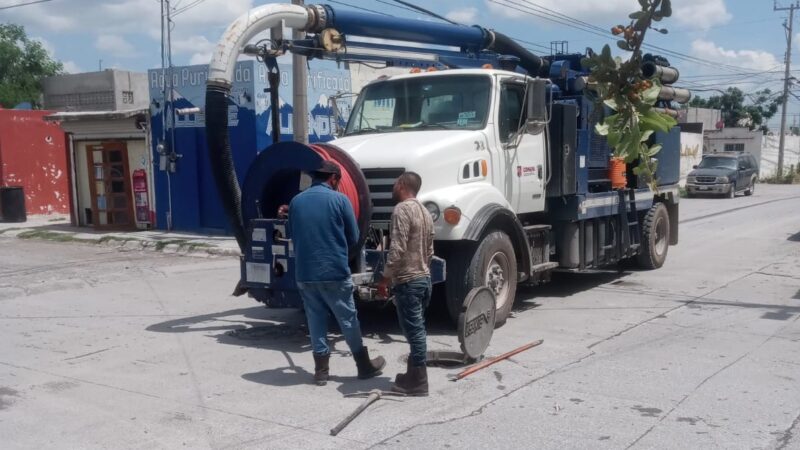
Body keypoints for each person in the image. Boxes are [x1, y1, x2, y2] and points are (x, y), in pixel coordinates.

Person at [288, 160, 385, 386]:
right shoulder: (340, 200)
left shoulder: (296, 201)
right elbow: (354, 237)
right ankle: (363, 365)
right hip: (334, 271)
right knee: (347, 319)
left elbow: (293, 233)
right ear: (333, 179)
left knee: (315, 319)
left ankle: (321, 372)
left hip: (305, 273)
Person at [376, 172, 435, 396]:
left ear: (401, 185)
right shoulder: (425, 212)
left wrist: (385, 278)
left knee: (415, 332)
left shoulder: (402, 209)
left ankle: (419, 382)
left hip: (409, 281)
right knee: (417, 329)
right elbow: (430, 251)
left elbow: (397, 248)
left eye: (394, 183)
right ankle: (413, 374)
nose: (392, 187)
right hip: (424, 279)